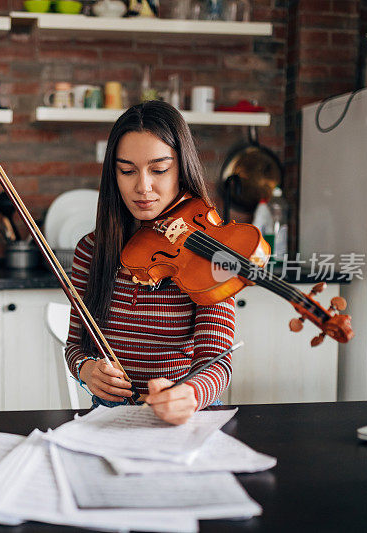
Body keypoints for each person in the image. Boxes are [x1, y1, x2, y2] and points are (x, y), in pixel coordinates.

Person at [65, 100, 235, 425]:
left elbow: (217, 361)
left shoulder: (211, 252)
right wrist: (86, 369)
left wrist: (191, 394)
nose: (143, 186)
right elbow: (76, 345)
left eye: (159, 170)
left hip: (184, 414)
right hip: (109, 418)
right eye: (127, 171)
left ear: (181, 169)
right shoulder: (91, 250)